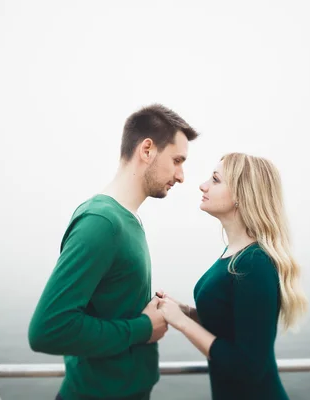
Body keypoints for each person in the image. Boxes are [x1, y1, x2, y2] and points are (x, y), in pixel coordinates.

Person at [28, 104, 199, 400]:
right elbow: (48, 329)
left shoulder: (126, 220)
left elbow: (108, 303)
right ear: (147, 150)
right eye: (177, 160)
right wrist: (143, 328)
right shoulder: (101, 223)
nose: (181, 175)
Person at [157, 152, 308, 400]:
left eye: (215, 180)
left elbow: (248, 367)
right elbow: (226, 323)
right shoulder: (235, 254)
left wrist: (181, 323)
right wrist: (185, 311)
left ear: (241, 195)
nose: (203, 185)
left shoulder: (255, 263)